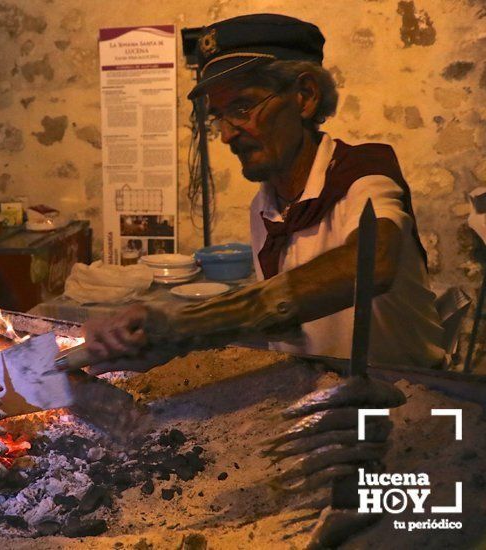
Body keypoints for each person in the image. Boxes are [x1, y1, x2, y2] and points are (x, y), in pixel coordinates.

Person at [83, 14, 443, 372]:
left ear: (304, 97)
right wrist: (160, 341)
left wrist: (188, 324)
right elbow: (288, 326)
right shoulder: (265, 207)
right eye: (218, 116)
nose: (226, 134)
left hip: (408, 403)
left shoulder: (363, 174)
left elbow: (372, 261)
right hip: (326, 399)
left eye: (242, 107)